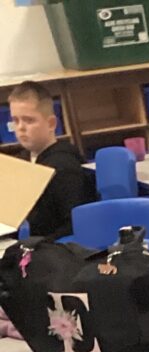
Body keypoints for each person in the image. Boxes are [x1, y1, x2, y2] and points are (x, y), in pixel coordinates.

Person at [8, 81, 96, 241]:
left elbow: (74, 225)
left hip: (50, 246)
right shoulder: (22, 160)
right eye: (16, 120)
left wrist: (37, 244)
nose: (20, 128)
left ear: (51, 124)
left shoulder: (65, 167)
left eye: (29, 120)